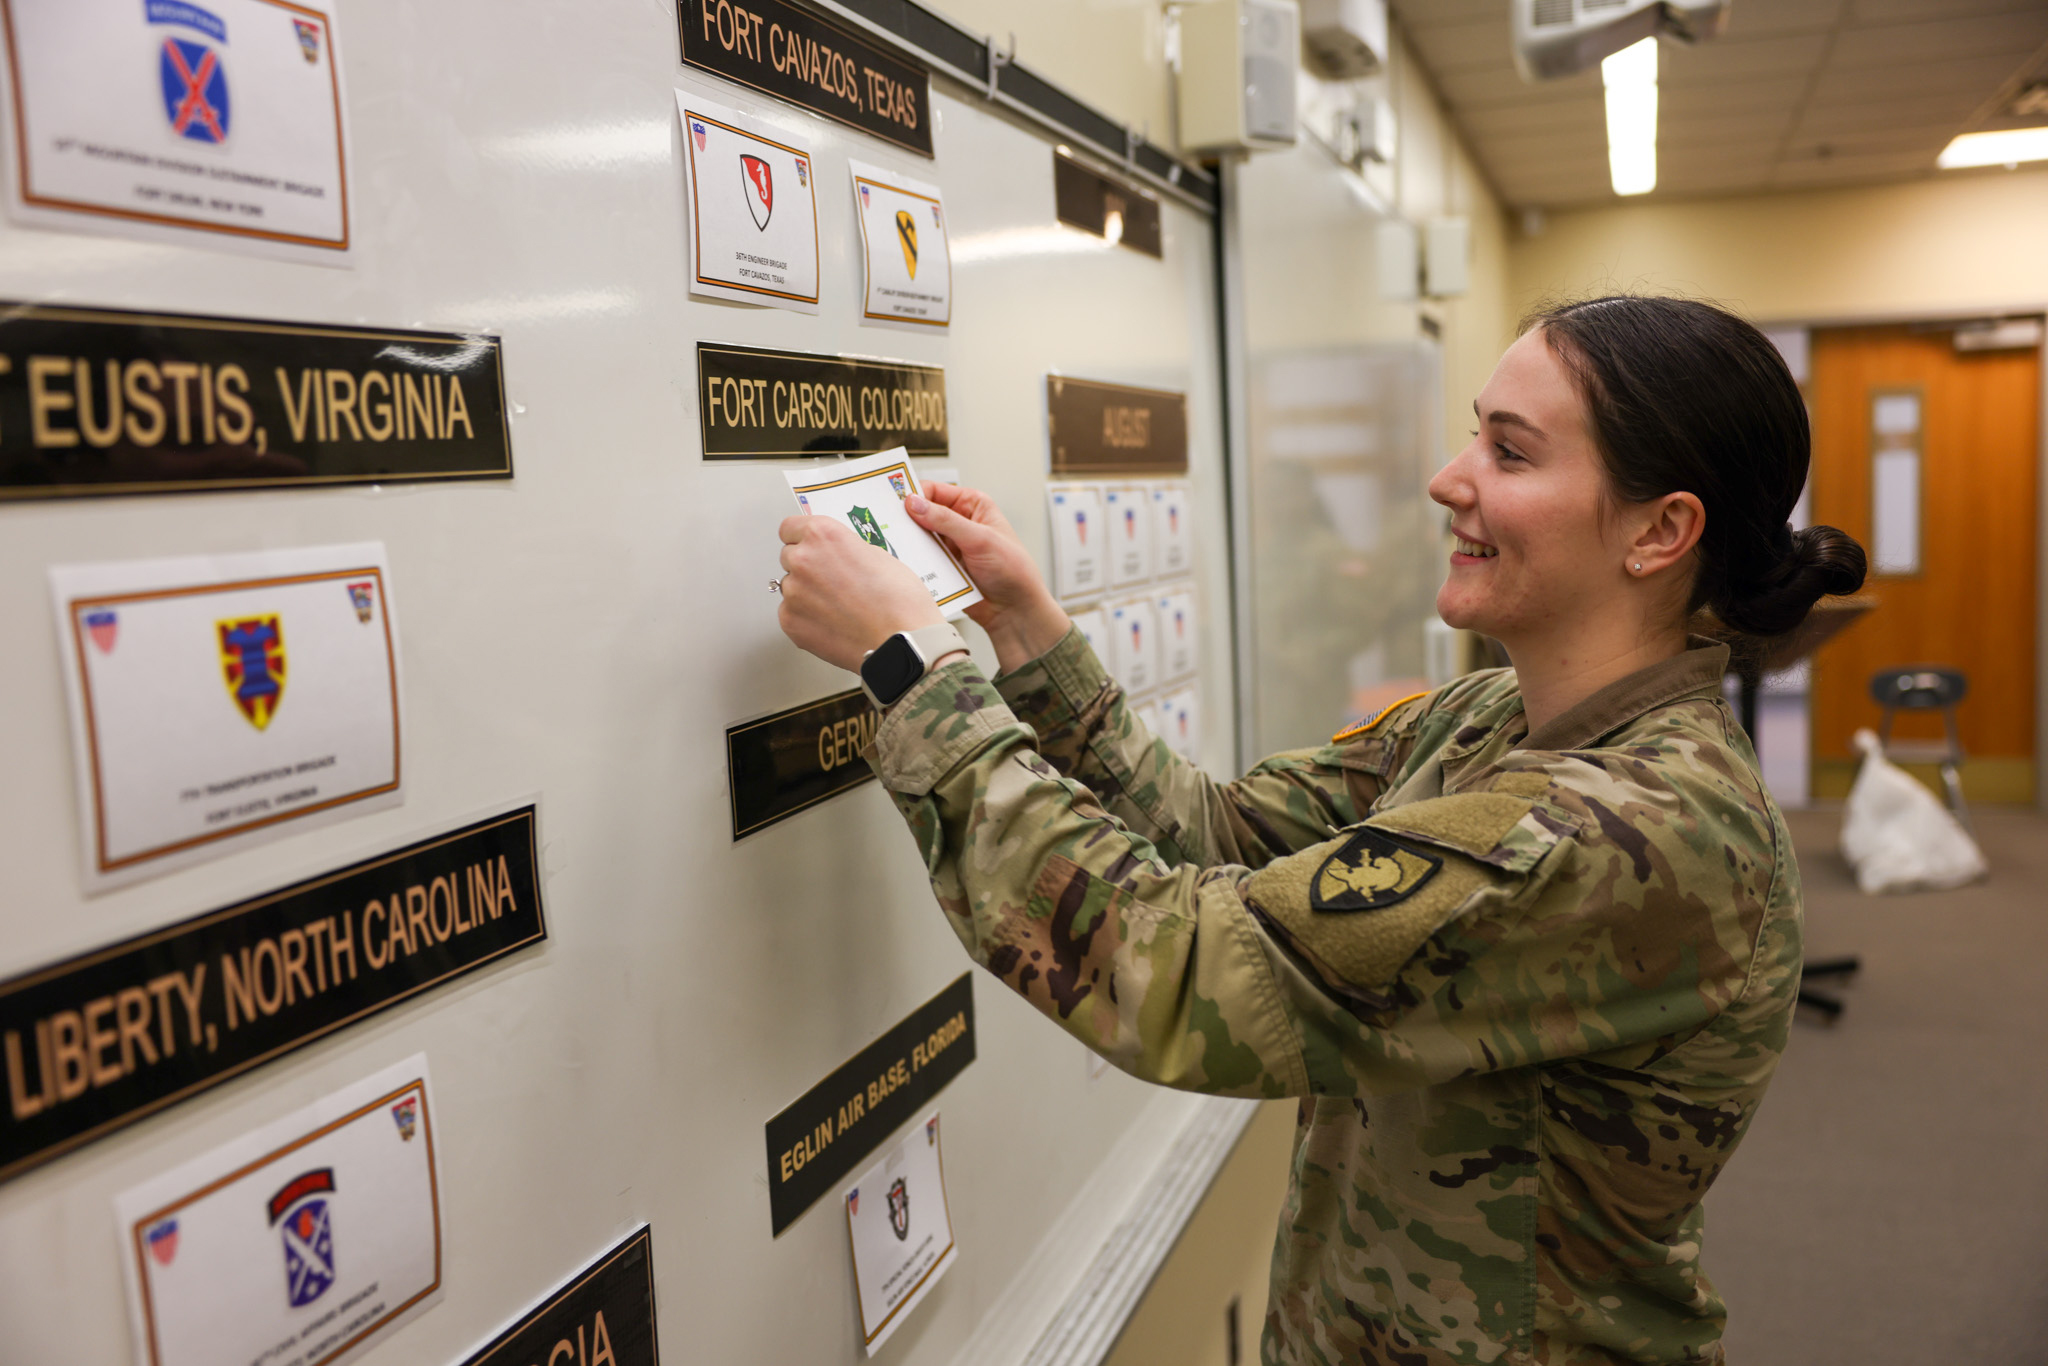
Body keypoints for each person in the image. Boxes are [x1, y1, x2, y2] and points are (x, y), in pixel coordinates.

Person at [773, 295, 1867, 1365]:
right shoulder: (1491, 716)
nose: (1448, 480)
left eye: (1510, 452)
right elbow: (1222, 835)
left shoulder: (1622, 829)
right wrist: (1024, 630)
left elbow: (1171, 968)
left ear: (1659, 530)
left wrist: (911, 672)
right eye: (1470, 436)